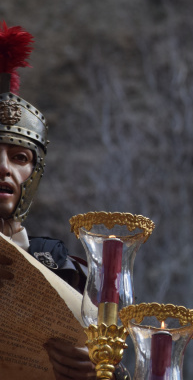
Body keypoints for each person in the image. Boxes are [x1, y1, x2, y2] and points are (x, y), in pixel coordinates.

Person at [0, 23, 129, 380]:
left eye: (19, 158)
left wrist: (103, 369)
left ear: (34, 174)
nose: (3, 168)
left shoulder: (71, 272)